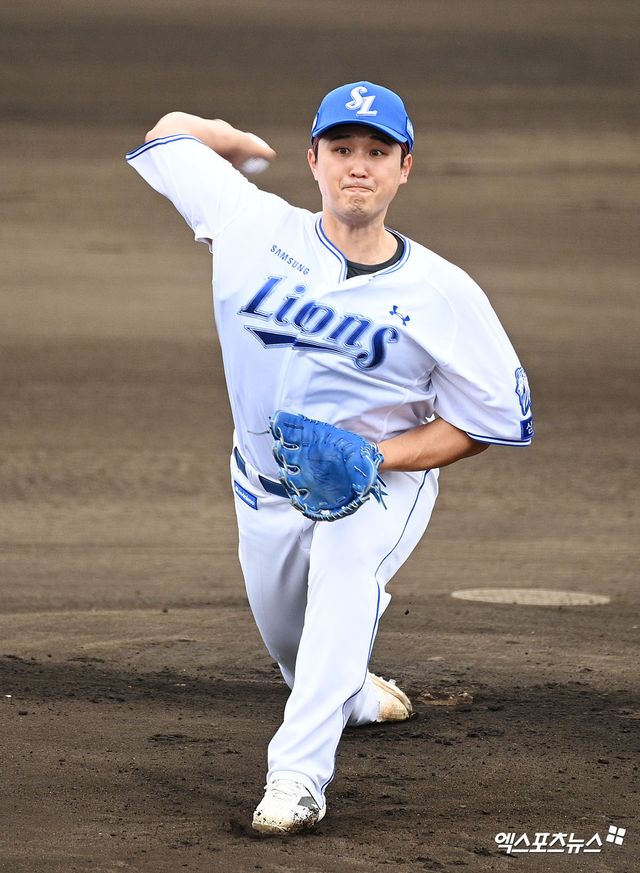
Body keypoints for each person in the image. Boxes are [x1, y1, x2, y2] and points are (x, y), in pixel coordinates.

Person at [126, 81, 533, 835]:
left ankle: (297, 779)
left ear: (403, 168)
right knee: (294, 642)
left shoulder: (445, 293)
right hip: (264, 483)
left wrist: (379, 455)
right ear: (313, 160)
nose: (358, 166)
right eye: (342, 149)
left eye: (377, 152)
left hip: (382, 482)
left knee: (344, 574)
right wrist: (225, 134)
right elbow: (168, 133)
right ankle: (345, 687)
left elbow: (492, 420)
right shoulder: (251, 221)